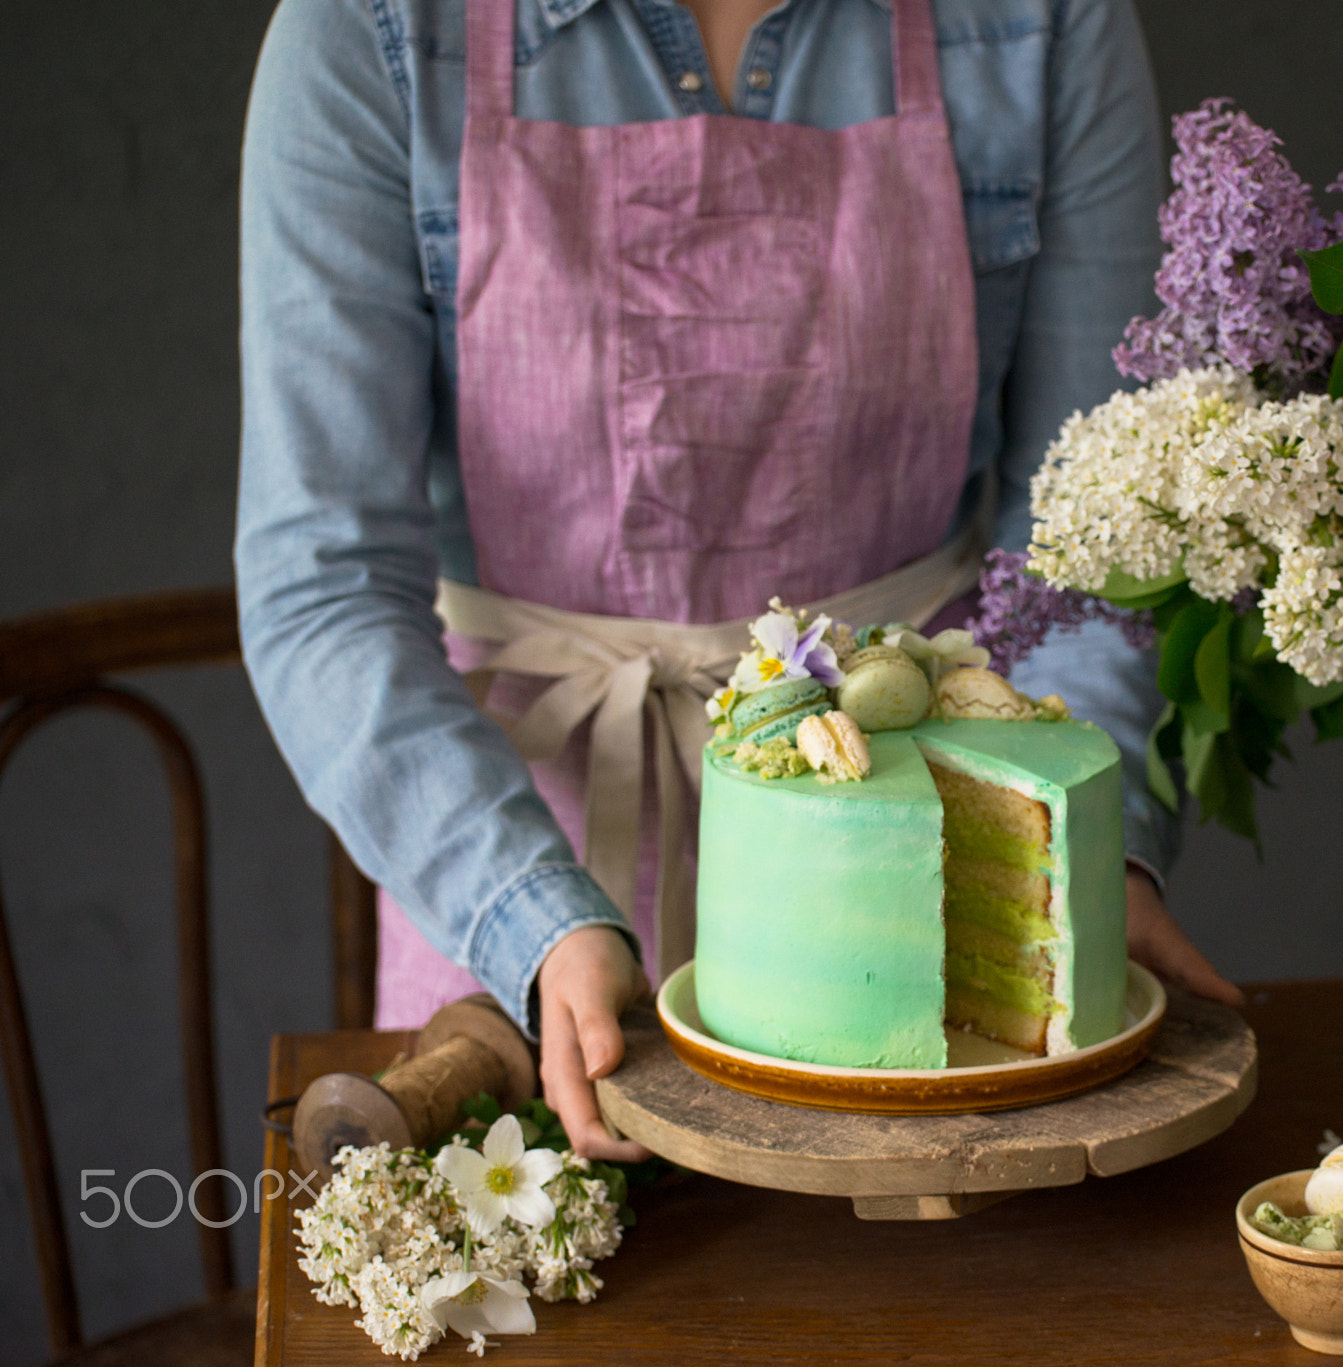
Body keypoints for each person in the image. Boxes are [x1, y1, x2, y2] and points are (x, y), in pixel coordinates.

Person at [236, 0, 1241, 1162]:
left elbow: (1097, 539)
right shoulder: (373, 29)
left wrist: (1078, 858)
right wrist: (530, 919)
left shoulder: (1041, 23)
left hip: (940, 920)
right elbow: (323, 580)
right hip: (519, 910)